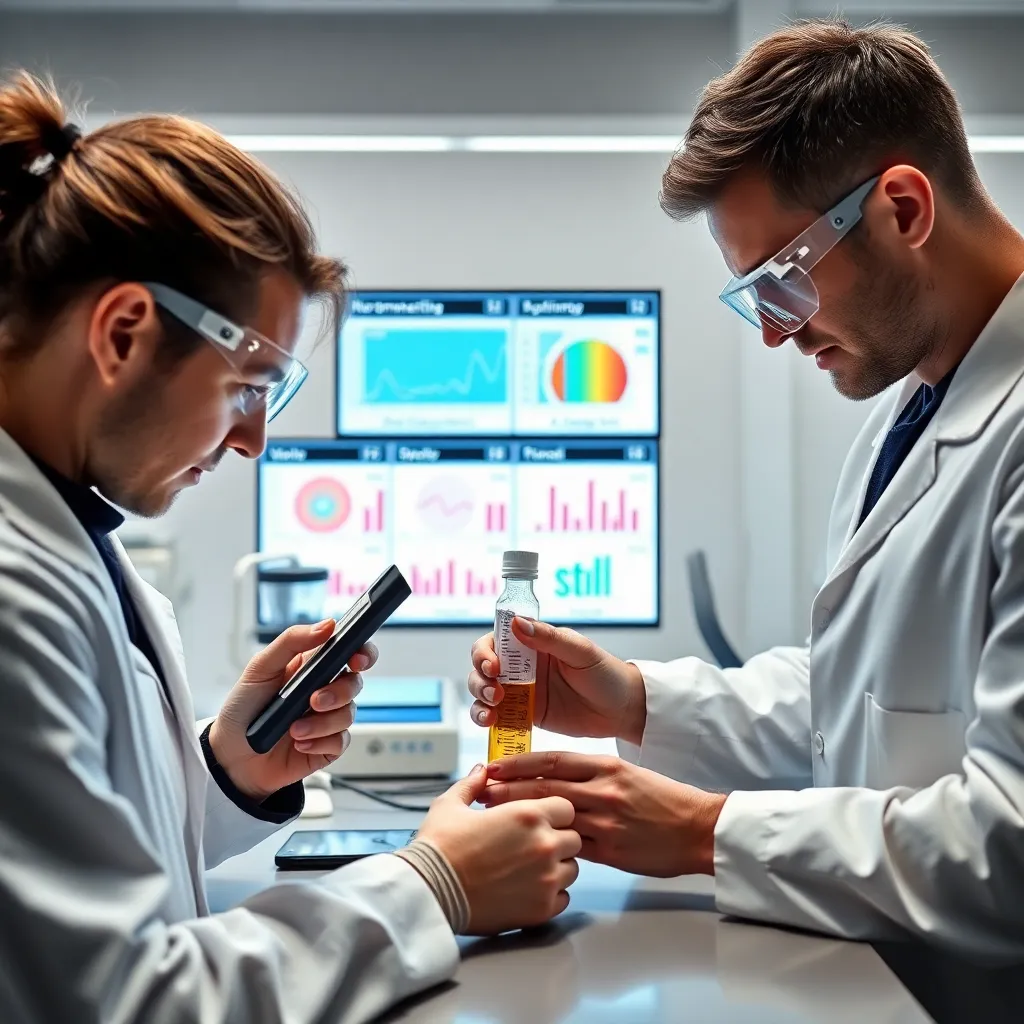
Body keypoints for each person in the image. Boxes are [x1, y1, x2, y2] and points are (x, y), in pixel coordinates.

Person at [0, 72, 581, 1024]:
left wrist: (227, 771)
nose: (253, 440)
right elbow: (119, 998)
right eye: (246, 386)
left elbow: (93, 861)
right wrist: (432, 885)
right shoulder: (14, 590)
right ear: (124, 333)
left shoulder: (65, 531)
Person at [469, 19, 1024, 962]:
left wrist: (706, 833)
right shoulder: (919, 407)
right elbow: (863, 701)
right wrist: (633, 701)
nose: (774, 332)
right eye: (755, 297)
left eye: (784, 281)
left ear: (902, 209)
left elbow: (1007, 847)